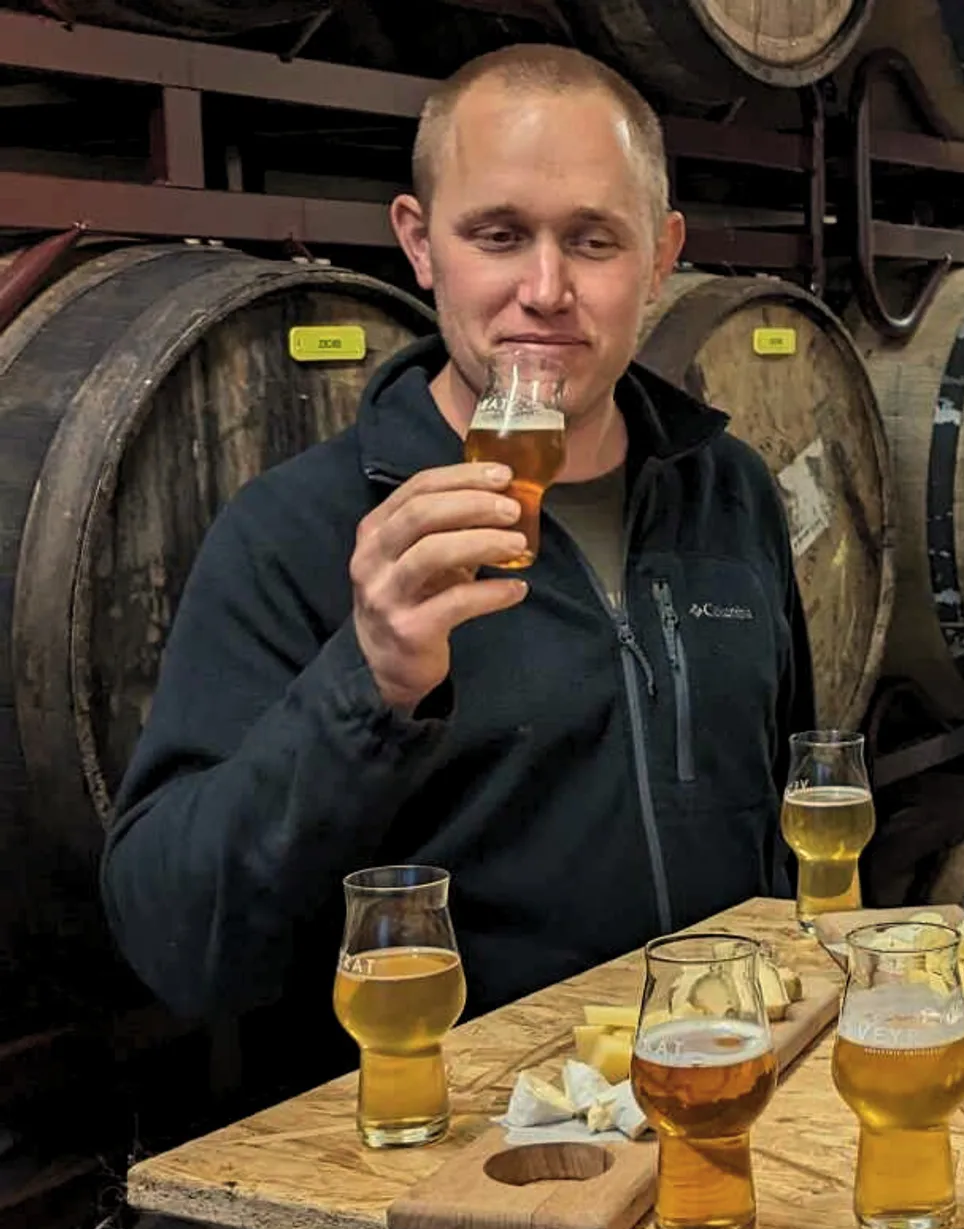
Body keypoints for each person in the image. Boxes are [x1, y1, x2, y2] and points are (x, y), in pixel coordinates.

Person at [101, 44, 812, 1049]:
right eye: (499, 234)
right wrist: (370, 685)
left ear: (662, 254)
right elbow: (179, 941)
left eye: (595, 240)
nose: (546, 287)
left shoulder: (728, 489)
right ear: (421, 241)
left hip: (723, 1116)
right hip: (456, 1170)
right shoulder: (297, 532)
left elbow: (781, 817)